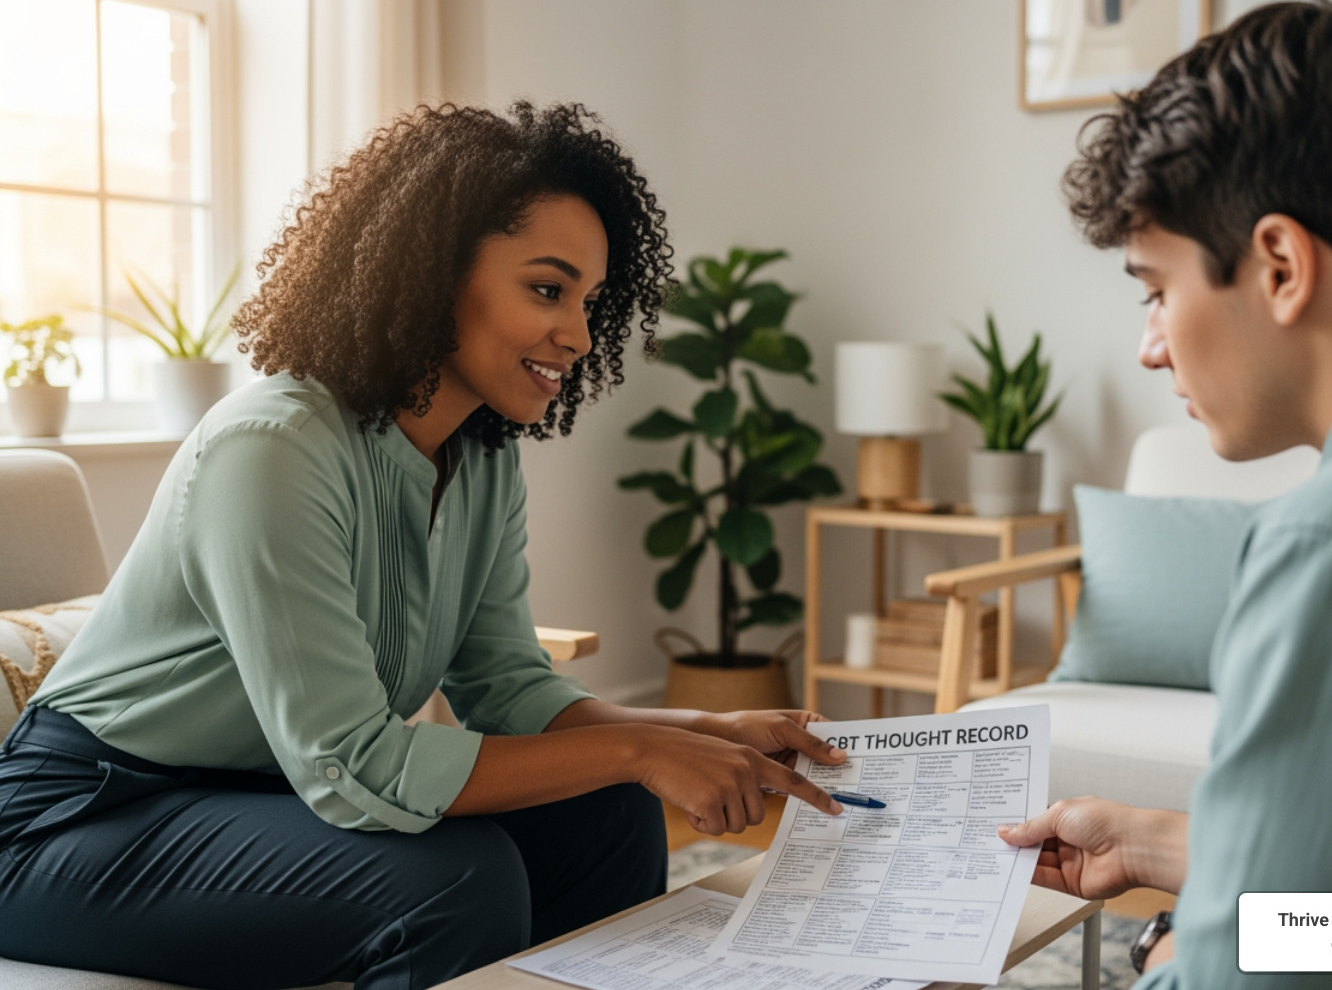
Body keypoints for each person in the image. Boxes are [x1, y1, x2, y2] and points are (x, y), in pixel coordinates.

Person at [0, 102, 845, 990]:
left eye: (590, 302)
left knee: (612, 814)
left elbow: (510, 690)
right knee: (455, 885)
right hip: (78, 821)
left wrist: (707, 733)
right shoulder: (272, 447)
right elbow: (351, 766)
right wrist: (644, 750)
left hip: (256, 792)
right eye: (549, 290)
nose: (581, 334)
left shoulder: (482, 459)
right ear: (434, 274)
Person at [996, 0, 1332, 988]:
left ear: (1281, 264)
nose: (1152, 346)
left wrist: (1200, 948)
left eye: (1156, 289)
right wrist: (1187, 850)